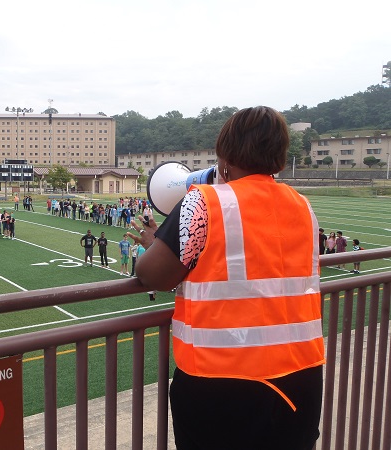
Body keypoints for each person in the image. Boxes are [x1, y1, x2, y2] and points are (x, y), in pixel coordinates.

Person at [132, 106, 324, 450]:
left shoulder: (205, 202)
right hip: (301, 377)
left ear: (225, 154)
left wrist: (154, 243)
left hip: (221, 383)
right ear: (280, 159)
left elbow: (152, 275)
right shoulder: (302, 205)